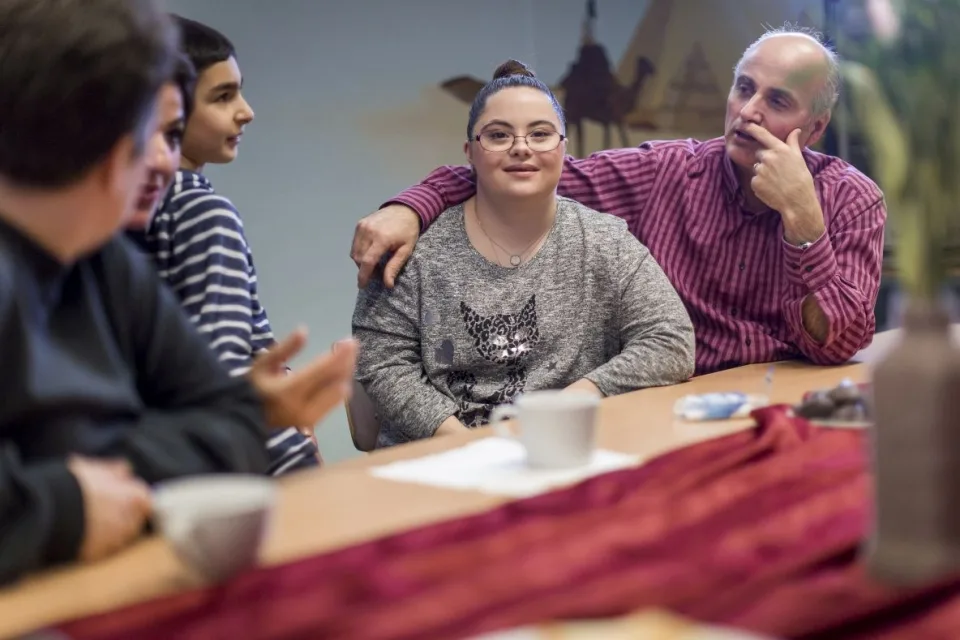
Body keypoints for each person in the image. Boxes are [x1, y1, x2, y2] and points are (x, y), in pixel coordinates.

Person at [351, 26, 887, 375]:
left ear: (814, 129)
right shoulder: (666, 171)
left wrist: (803, 222)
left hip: (784, 405)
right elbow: (529, 172)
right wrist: (411, 206)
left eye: (777, 101)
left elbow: (836, 346)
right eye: (744, 88)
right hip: (670, 402)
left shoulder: (853, 200)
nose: (748, 113)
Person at [0, 0, 271, 585]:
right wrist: (68, 505)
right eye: (152, 131)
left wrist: (78, 479)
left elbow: (236, 426)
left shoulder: (107, 259)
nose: (165, 162)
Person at [352, 60, 695, 447]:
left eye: (540, 134)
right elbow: (382, 361)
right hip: (439, 459)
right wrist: (463, 443)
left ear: (564, 149)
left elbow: (671, 339)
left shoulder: (606, 241)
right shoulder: (415, 250)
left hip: (564, 450)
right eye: (498, 135)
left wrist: (578, 398)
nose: (521, 148)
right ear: (470, 152)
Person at [125, 15, 334, 475]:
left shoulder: (122, 217)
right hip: (259, 460)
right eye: (222, 96)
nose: (246, 111)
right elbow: (222, 364)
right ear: (170, 107)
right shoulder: (202, 210)